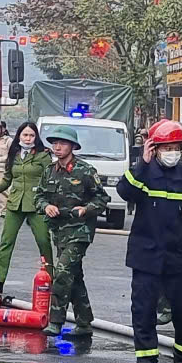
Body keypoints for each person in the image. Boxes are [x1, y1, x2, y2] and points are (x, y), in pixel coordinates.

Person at [121, 120, 182, 363]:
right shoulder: (144, 172)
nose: (171, 151)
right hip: (147, 253)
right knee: (144, 308)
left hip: (177, 253)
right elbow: (126, 192)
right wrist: (141, 164)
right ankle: (146, 360)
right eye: (165, 147)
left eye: (175, 147)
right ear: (155, 148)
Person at [35, 125, 106, 342]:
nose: (57, 147)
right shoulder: (49, 170)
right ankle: (84, 323)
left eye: (63, 143)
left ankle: (56, 320)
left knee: (63, 273)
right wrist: (46, 206)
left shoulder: (86, 171)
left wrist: (86, 209)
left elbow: (101, 200)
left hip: (80, 231)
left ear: (73, 146)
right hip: (59, 231)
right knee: (74, 276)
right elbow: (39, 197)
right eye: (55, 143)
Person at [0, 120, 52, 301]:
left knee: (44, 241)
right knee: (6, 242)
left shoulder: (43, 156)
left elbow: (51, 181)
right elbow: (7, 179)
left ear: (36, 138)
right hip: (15, 203)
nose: (28, 139)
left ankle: (52, 279)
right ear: (19, 136)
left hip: (36, 204)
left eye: (31, 135)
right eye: (25, 135)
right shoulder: (15, 153)